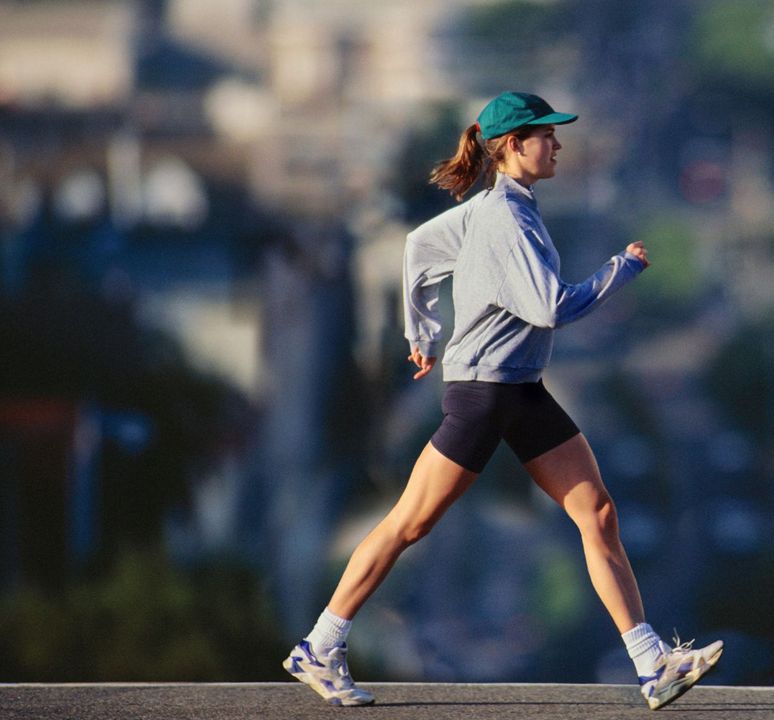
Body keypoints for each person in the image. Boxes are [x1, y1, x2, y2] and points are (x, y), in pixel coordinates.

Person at [283, 91, 722, 710]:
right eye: (547, 135)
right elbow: (551, 307)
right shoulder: (504, 219)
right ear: (513, 145)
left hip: (521, 389)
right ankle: (320, 646)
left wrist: (423, 334)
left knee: (597, 514)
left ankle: (654, 665)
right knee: (410, 523)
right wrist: (620, 269)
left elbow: (417, 248)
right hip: (486, 395)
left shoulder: (496, 208)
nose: (559, 145)